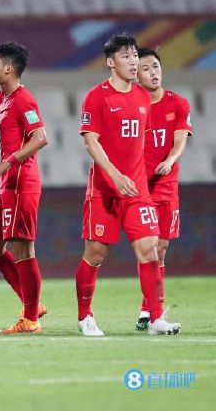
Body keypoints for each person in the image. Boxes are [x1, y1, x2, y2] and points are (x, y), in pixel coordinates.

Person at [74, 33, 180, 336]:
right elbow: (91, 143)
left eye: (135, 56)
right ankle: (85, 316)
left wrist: (140, 178)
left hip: (136, 191)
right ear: (111, 62)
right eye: (126, 56)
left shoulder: (142, 97)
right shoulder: (96, 96)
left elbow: (141, 146)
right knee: (95, 254)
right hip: (104, 190)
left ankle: (156, 317)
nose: (134, 62)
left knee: (150, 250)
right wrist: (116, 176)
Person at [0, 42, 48, 334]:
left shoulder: (23, 100)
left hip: (21, 181)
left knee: (23, 249)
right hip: (7, 186)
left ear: (8, 68)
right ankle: (33, 303)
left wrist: (8, 162)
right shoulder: (1, 99)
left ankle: (30, 319)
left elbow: (40, 137)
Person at [134, 47, 192, 331]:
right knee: (150, 247)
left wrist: (170, 160)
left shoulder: (178, 104)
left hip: (167, 185)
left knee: (163, 247)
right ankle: (150, 312)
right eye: (145, 68)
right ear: (137, 75)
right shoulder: (134, 106)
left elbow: (181, 139)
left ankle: (149, 308)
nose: (153, 72)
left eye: (155, 66)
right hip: (141, 187)